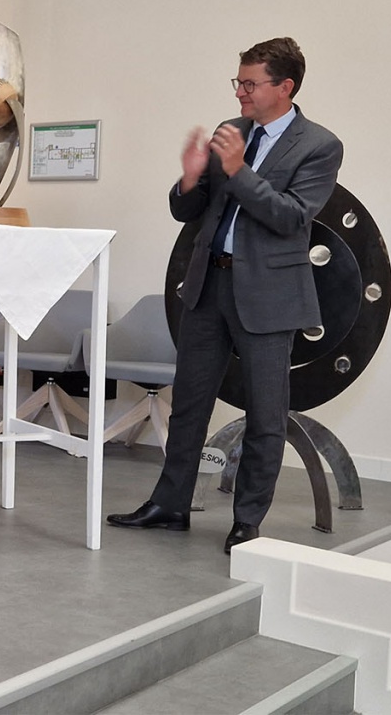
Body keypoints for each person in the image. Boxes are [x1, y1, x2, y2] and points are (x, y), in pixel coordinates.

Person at [107, 37, 342, 554]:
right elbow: (188, 212)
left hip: (270, 296)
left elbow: (290, 217)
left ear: (285, 86)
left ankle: (247, 521)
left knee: (265, 414)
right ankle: (170, 505)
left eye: (250, 84)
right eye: (238, 81)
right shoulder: (231, 132)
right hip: (209, 285)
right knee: (189, 405)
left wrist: (238, 171)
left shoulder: (320, 145)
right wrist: (191, 179)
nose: (240, 92)